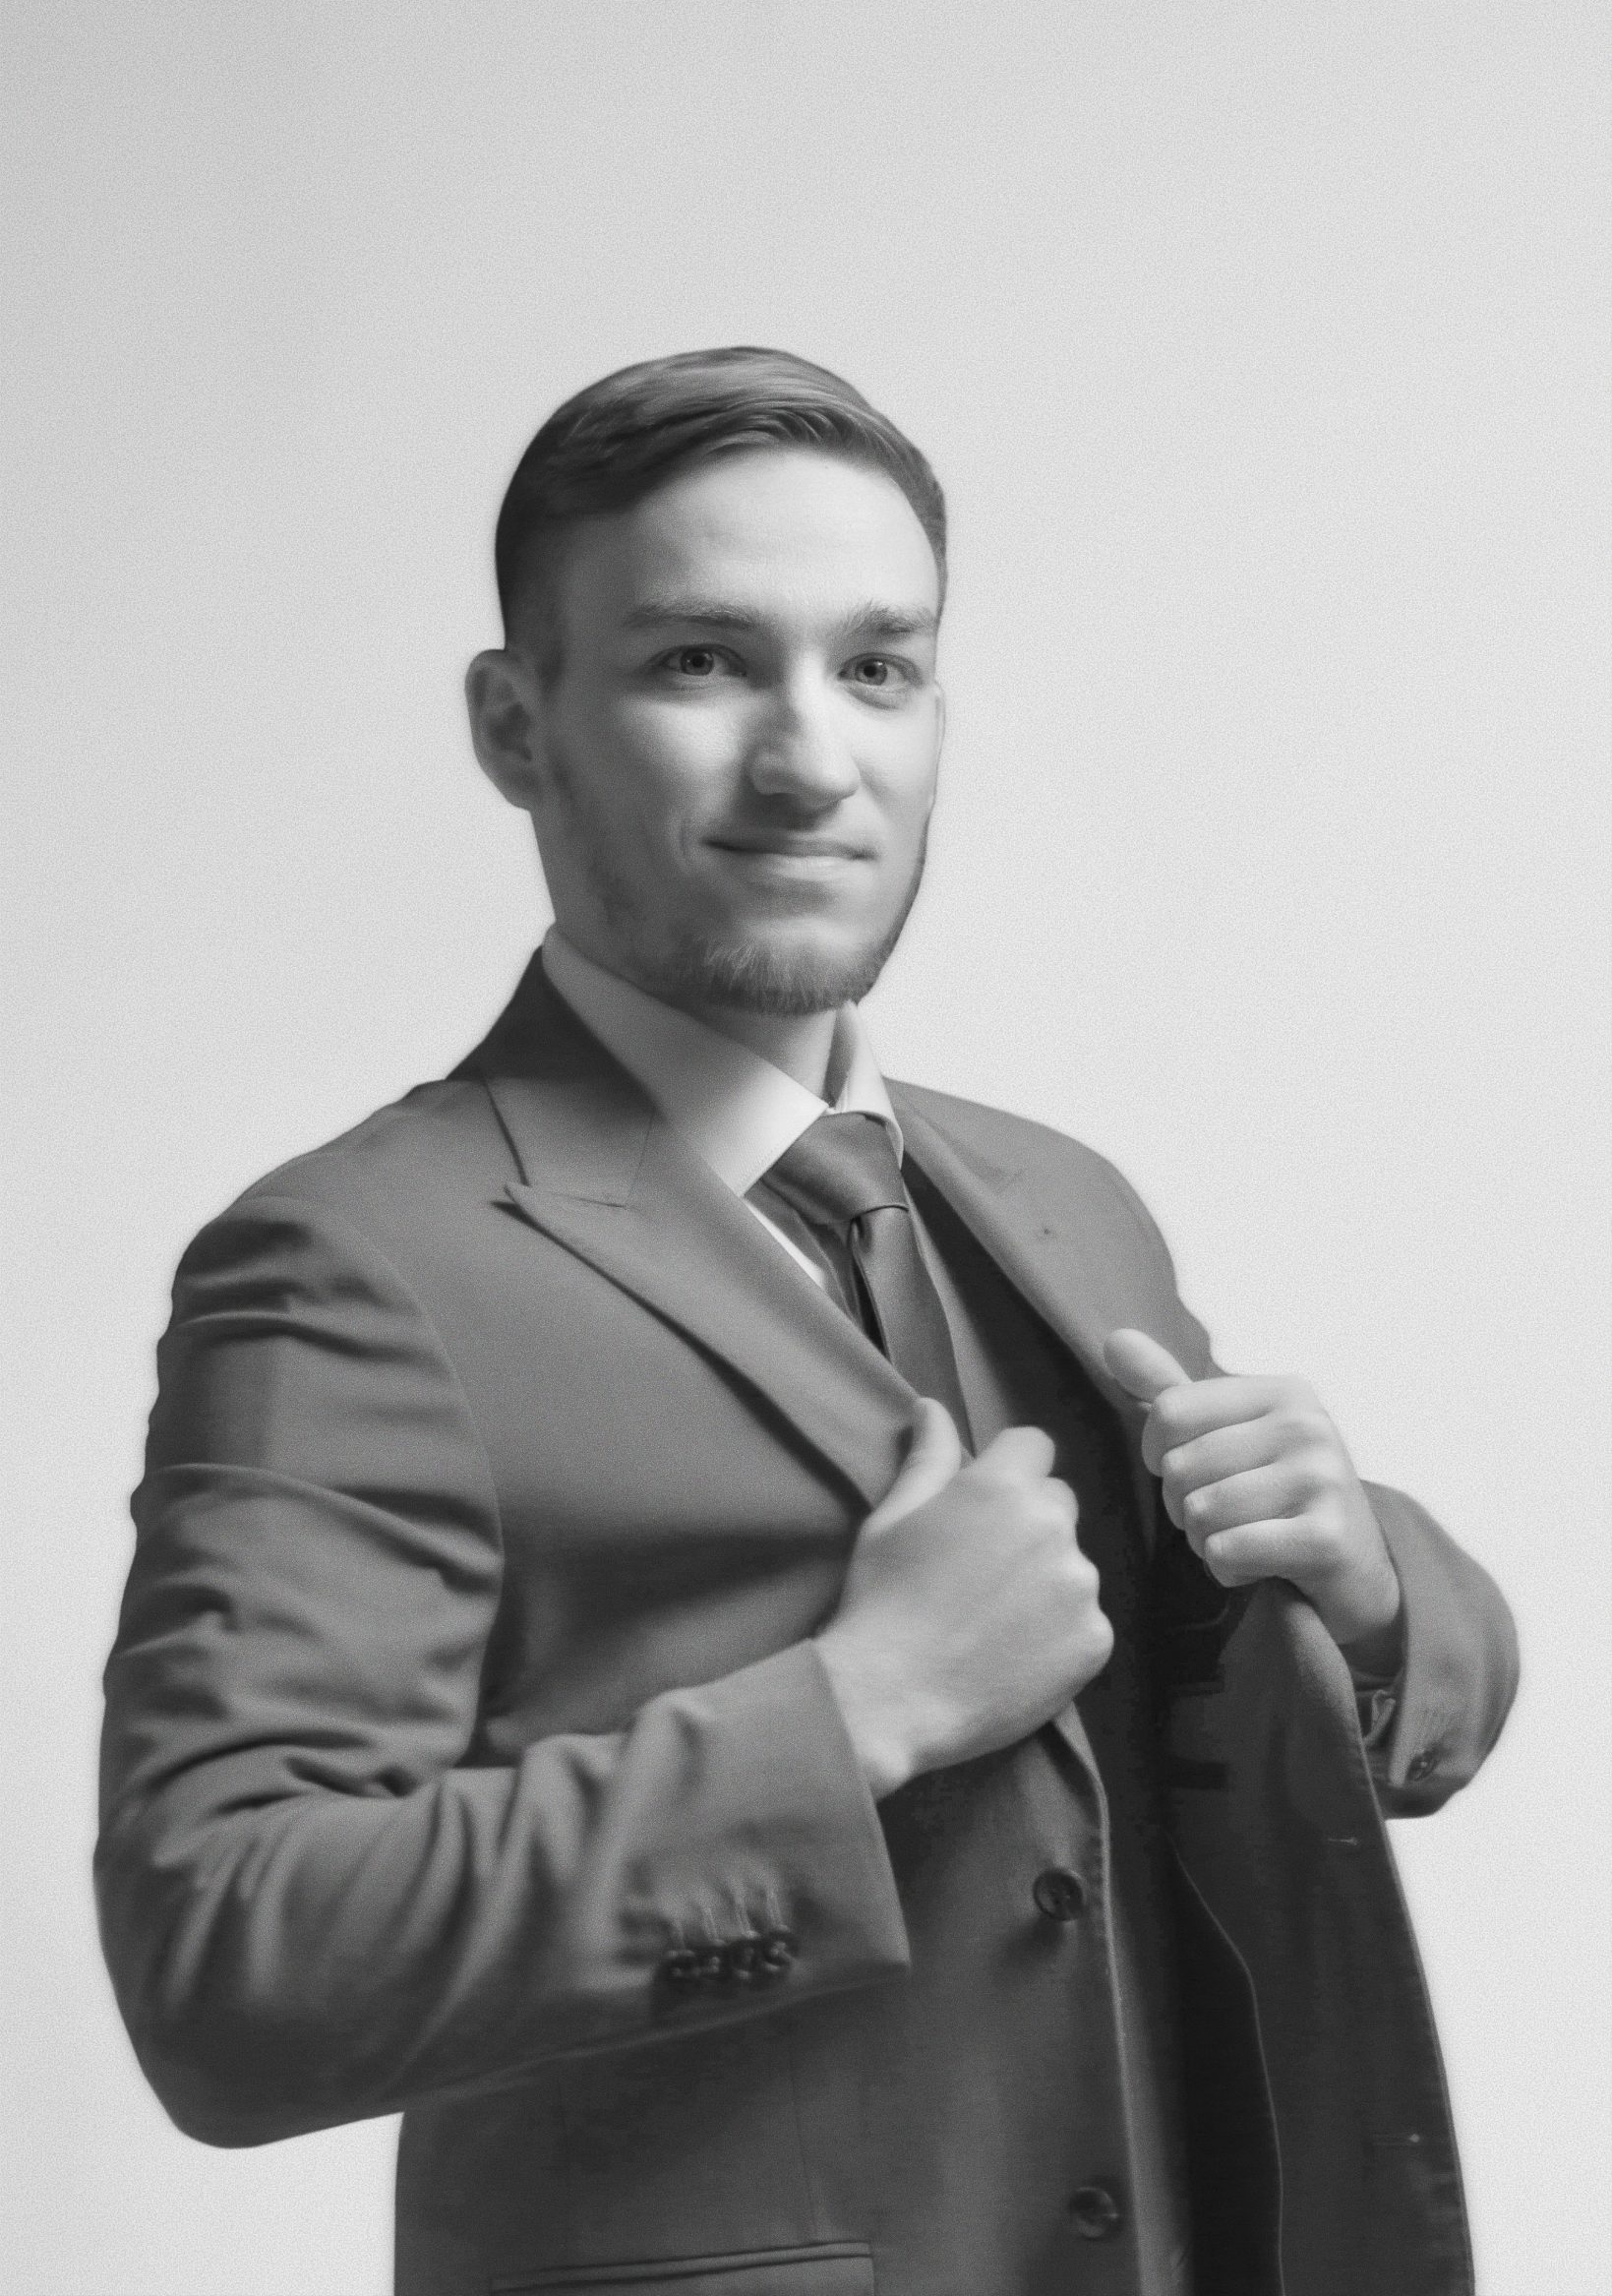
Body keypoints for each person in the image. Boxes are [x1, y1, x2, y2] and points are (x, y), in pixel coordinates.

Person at [97, 348, 1518, 2296]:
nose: (809, 761)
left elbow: (1359, 1732)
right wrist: (858, 1711)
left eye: (876, 666)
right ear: (516, 724)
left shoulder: (1062, 1199)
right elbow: (227, 1966)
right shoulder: (354, 1260)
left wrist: (1362, 1588)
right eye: (700, 661)